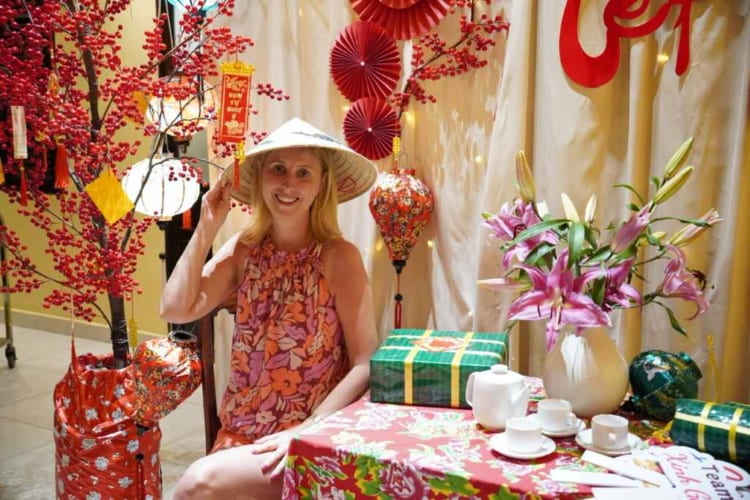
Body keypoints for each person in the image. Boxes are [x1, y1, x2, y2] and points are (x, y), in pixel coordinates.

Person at [160, 117, 380, 499]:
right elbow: (175, 310)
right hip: (241, 434)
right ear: (260, 179)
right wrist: (207, 226)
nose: (289, 183)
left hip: (308, 437)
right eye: (277, 169)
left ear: (320, 186)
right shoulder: (245, 250)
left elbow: (365, 361)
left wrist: (309, 428)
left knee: (197, 483)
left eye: (303, 173)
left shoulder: (338, 257)